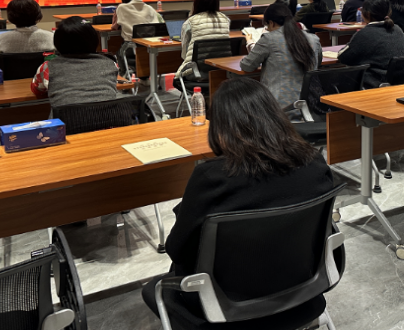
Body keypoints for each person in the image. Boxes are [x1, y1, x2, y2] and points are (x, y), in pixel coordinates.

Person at [141, 78, 334, 319]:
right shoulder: (314, 163)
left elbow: (177, 250)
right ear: (274, 116)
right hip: (301, 290)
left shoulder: (212, 178)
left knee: (159, 286)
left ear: (219, 127)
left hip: (223, 305)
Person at [241, 3, 322, 109]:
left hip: (279, 106)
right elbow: (317, 62)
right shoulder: (314, 39)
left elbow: (247, 66)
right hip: (312, 104)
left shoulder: (268, 39)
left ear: (271, 23)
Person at [31, 17, 118, 107]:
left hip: (66, 116)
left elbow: (37, 90)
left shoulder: (47, 67)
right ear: (94, 40)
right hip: (108, 115)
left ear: (58, 42)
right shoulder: (110, 64)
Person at [338, 0, 404, 88]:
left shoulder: (365, 33)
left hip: (372, 84)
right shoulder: (397, 29)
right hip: (397, 84)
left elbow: (343, 57)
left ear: (366, 13)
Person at [175, 0, 231, 79]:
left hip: (196, 72)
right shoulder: (225, 20)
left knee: (177, 80)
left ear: (197, 3)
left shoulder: (190, 22)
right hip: (222, 70)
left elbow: (184, 54)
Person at [0, 0, 54, 68]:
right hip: (44, 75)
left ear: (11, 16)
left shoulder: (2, 38)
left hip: (12, 75)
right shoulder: (51, 37)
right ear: (39, 15)